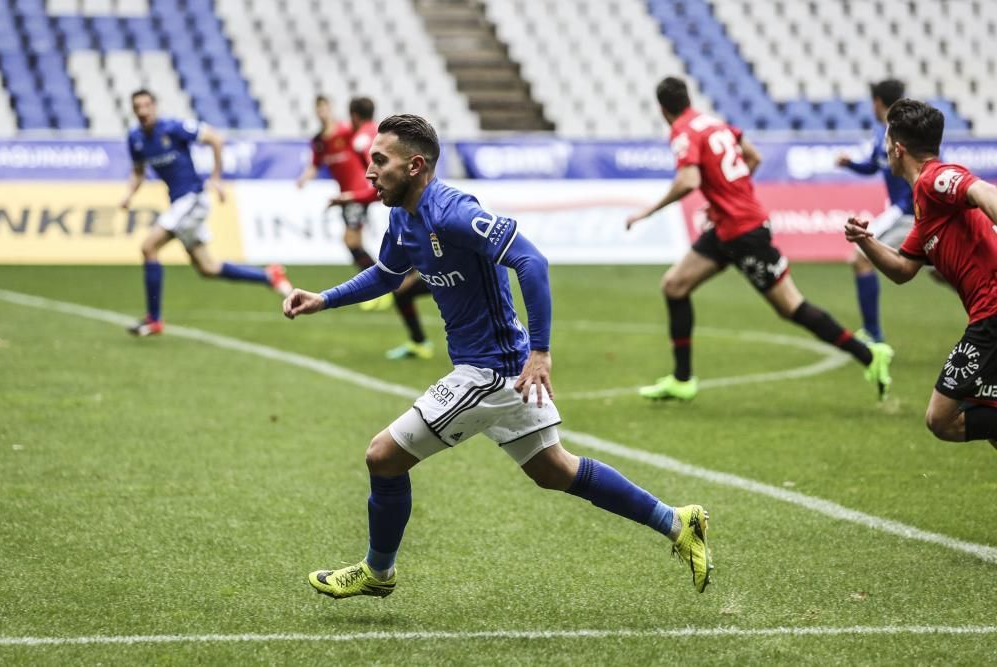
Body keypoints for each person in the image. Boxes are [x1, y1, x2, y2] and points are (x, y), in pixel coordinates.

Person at [283, 114, 714, 597]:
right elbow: (385, 276)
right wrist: (324, 298)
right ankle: (677, 521)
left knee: (382, 457)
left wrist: (542, 351)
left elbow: (531, 260)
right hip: (494, 369)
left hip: (491, 372)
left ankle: (378, 573)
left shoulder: (453, 212)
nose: (368, 172)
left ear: (415, 165)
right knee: (554, 469)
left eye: (379, 161)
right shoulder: (402, 216)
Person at [626, 77, 893, 401]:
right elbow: (753, 157)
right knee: (675, 285)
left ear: (662, 110)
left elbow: (688, 180)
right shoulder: (713, 122)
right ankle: (683, 380)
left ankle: (868, 355)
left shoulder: (683, 131)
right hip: (726, 227)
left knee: (791, 306)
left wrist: (647, 212)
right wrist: (726, 197)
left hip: (745, 232)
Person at [845, 98, 997, 447]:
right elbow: (902, 269)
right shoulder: (926, 208)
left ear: (897, 149)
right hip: (987, 314)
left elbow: (983, 190)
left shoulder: (935, 179)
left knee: (942, 419)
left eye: (886, 141)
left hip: (992, 315)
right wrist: (866, 241)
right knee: (985, 414)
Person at [121, 89, 292, 336]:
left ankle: (154, 319)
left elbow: (215, 138)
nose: (143, 111)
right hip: (179, 203)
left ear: (155, 106)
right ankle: (269, 276)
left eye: (147, 105)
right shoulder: (135, 138)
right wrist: (129, 194)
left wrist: (216, 178)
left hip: (193, 198)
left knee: (149, 247)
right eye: (138, 106)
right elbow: (138, 171)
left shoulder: (173, 127)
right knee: (207, 268)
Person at [297, 96, 432, 360]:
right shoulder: (322, 141)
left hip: (356, 194)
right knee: (396, 279)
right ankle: (418, 340)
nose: (371, 170)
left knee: (353, 242)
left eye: (378, 162)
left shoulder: (356, 135)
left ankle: (386, 293)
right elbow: (316, 163)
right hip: (355, 195)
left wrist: (352, 195)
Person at [835, 79, 914, 343]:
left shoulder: (903, 131)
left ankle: (873, 334)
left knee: (859, 258)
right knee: (943, 272)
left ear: (877, 102)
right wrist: (851, 165)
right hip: (906, 211)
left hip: (906, 212)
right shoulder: (885, 132)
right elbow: (874, 166)